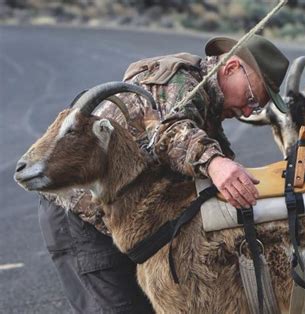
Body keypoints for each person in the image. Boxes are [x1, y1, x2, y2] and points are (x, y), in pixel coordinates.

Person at [38, 35, 289, 313]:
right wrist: (215, 163)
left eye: (256, 108)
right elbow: (168, 132)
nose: (246, 111)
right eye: (250, 98)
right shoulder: (177, 84)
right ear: (230, 69)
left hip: (127, 222)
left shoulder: (206, 106)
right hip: (80, 216)